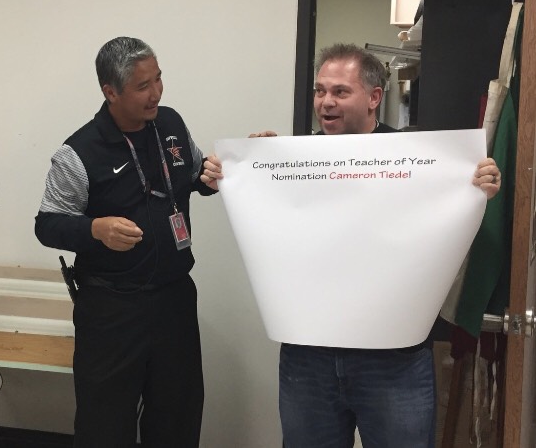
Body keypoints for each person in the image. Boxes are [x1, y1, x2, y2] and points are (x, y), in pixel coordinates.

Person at [201, 43, 501, 448]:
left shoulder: (418, 159)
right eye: (320, 90)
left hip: (393, 358)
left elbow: (448, 204)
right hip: (308, 359)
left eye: (341, 92)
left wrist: (477, 180)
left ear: (374, 97)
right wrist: (247, 165)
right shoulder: (294, 157)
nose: (326, 102)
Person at [35, 36, 217, 447]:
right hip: (111, 308)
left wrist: (217, 172)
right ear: (110, 91)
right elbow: (47, 224)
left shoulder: (170, 123)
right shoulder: (78, 152)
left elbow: (192, 174)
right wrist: (93, 229)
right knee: (105, 425)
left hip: (174, 300)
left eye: (158, 79)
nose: (155, 93)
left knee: (177, 417)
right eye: (142, 86)